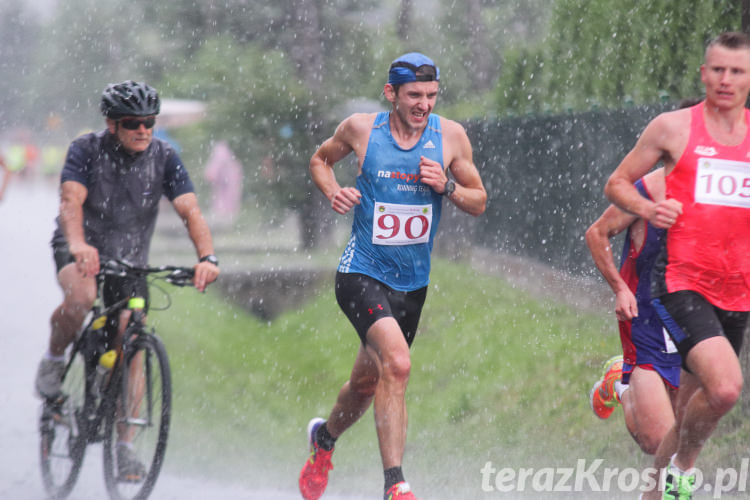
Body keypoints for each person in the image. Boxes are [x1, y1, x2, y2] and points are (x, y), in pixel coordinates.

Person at [299, 53, 486, 500]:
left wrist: (446, 186)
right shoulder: (362, 129)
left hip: (411, 284)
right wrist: (334, 192)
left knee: (366, 383)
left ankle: (323, 440)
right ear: (392, 94)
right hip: (361, 271)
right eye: (414, 96)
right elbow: (319, 160)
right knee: (397, 365)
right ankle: (395, 484)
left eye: (431, 96)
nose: (424, 105)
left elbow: (479, 200)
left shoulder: (451, 137)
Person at [34, 80, 220, 479]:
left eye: (149, 122)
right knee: (82, 297)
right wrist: (81, 244)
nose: (143, 130)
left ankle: (125, 447)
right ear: (112, 123)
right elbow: (71, 201)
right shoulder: (86, 150)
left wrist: (207, 258)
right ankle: (52, 364)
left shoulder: (165, 156)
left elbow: (190, 211)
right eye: (133, 122)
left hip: (130, 257)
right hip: (78, 245)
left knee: (131, 339)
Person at [604, 32, 750, 499]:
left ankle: (655, 492)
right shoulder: (673, 128)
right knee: (725, 389)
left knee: (688, 409)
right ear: (703, 73)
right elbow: (617, 183)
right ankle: (683, 471)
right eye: (718, 70)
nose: (726, 80)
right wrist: (647, 210)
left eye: (737, 71)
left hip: (738, 291)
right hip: (682, 283)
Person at [586, 167, 680, 457]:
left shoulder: (731, 189)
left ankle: (620, 385)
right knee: (657, 441)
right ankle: (623, 386)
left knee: (681, 433)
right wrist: (620, 289)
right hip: (646, 319)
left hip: (693, 320)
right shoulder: (654, 187)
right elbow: (597, 233)